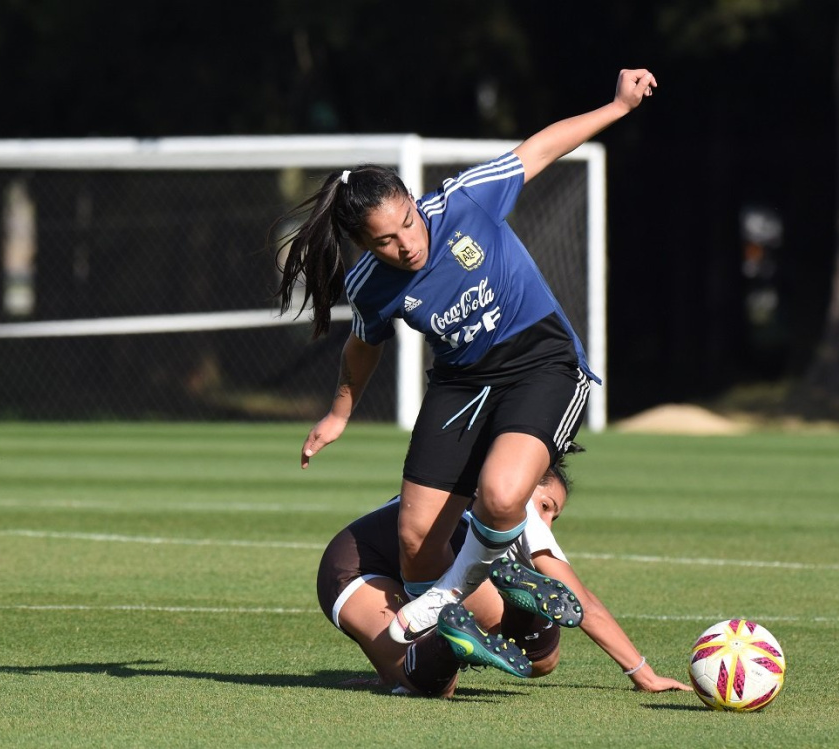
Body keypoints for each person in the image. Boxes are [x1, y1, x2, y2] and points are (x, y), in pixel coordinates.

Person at [277, 68, 659, 643]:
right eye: (385, 241)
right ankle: (473, 636)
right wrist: (338, 414)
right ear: (363, 244)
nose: (406, 244)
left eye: (407, 223)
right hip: (461, 385)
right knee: (414, 541)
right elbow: (363, 346)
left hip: (539, 362)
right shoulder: (369, 285)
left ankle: (453, 593)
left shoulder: (466, 200)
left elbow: (540, 148)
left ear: (414, 202)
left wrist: (618, 107)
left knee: (501, 495)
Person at [316, 458, 692, 697]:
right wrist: (643, 673)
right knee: (542, 661)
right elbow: (582, 602)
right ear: (527, 478)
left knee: (424, 679)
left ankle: (450, 641)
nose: (546, 521)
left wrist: (387, 672)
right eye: (546, 506)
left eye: (554, 517)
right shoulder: (515, 502)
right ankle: (519, 611)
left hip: (350, 560)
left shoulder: (459, 483)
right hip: (446, 548)